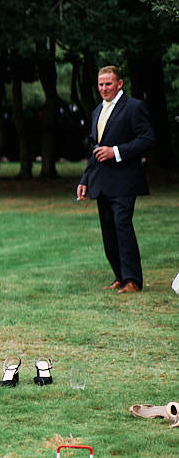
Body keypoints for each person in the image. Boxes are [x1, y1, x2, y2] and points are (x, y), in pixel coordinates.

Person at [76, 64, 154, 293]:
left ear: (119, 84)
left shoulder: (134, 107)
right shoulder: (97, 111)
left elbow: (147, 139)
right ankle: (120, 276)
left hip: (125, 179)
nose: (104, 88)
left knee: (122, 226)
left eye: (108, 83)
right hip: (102, 182)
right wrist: (84, 180)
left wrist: (116, 151)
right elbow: (94, 149)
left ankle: (133, 280)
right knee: (108, 230)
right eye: (100, 84)